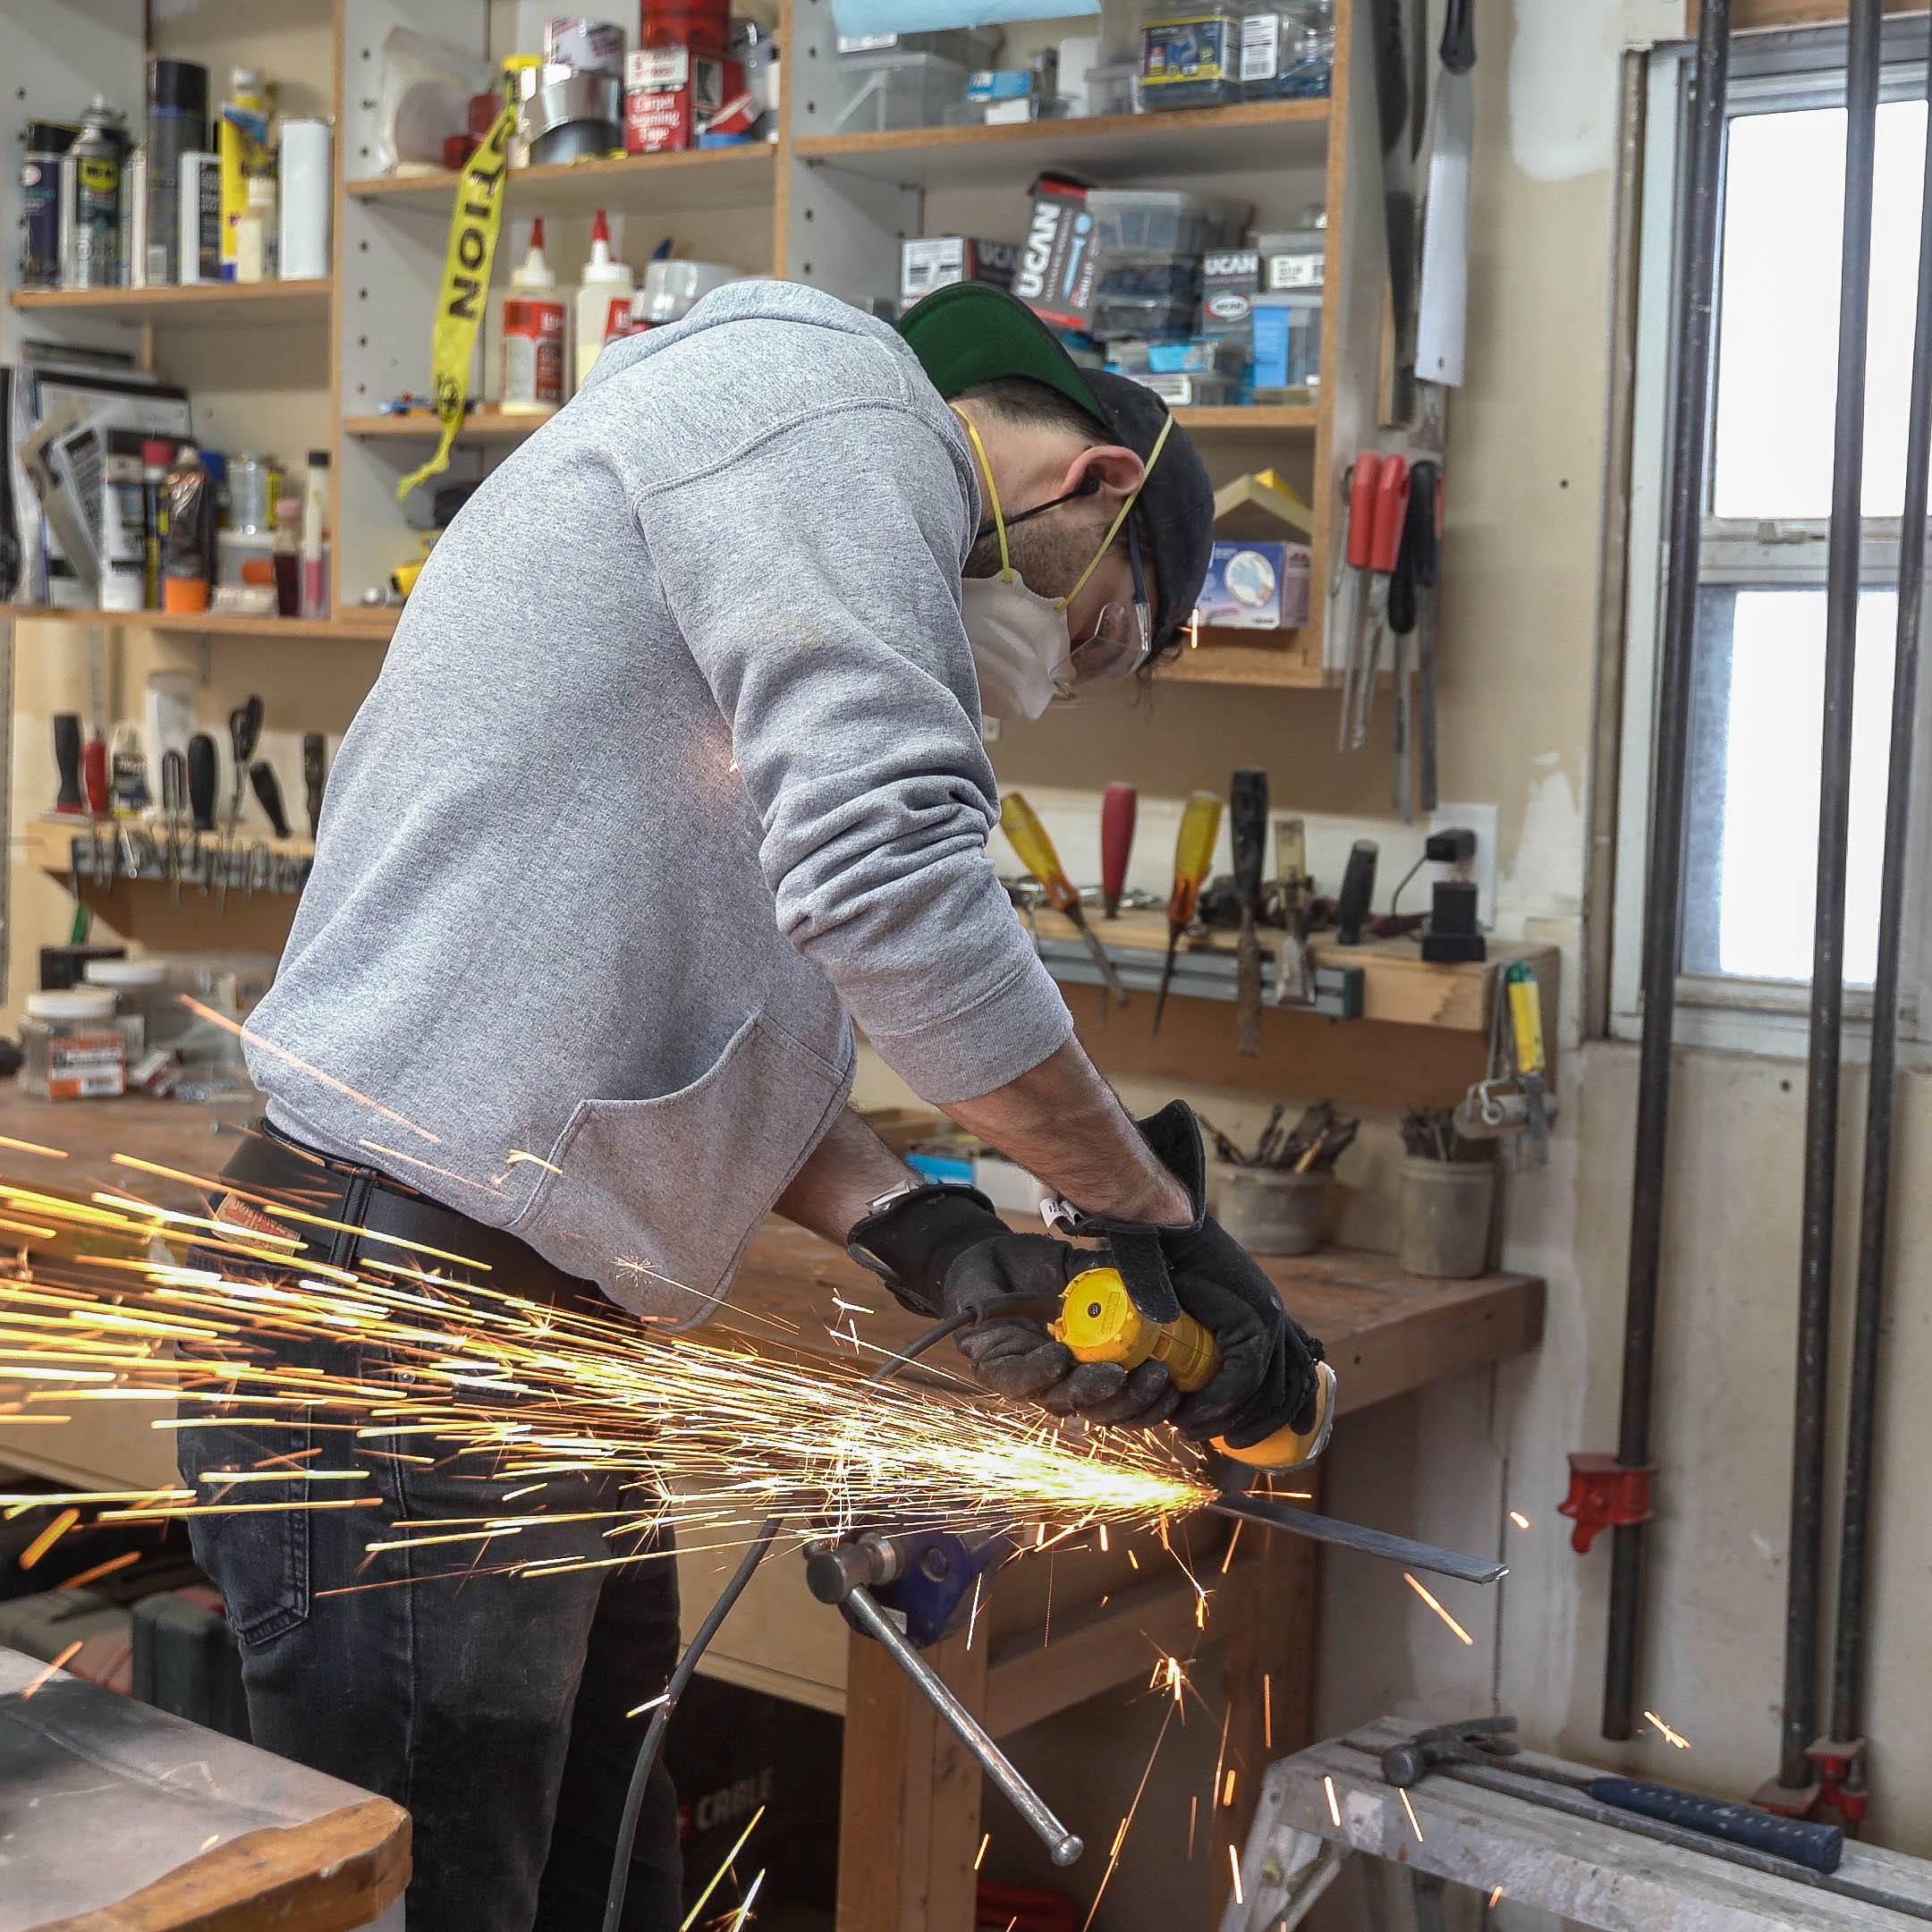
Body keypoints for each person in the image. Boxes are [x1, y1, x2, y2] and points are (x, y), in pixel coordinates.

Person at [187, 278, 1325, 1932]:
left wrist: (928, 1231)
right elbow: (900, 896)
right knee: (445, 1904)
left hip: (527, 1320)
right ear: (1090, 488)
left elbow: (711, 1034)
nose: (1057, 683)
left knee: (599, 1889)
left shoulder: (791, 537)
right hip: (401, 1301)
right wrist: (1152, 1214)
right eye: (1095, 638)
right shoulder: (836, 409)